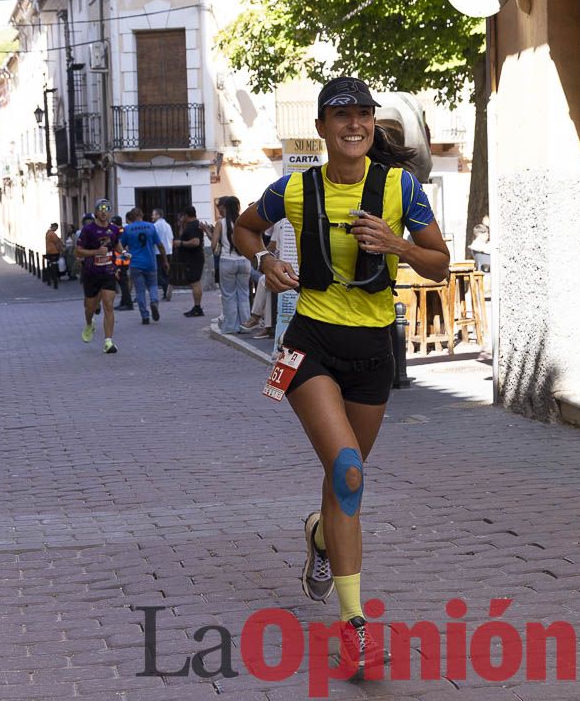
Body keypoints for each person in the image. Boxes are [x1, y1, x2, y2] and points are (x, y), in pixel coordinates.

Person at [234, 77, 450, 672]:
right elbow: (245, 228)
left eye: (363, 114)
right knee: (349, 471)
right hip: (311, 345)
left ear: (372, 124)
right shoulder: (295, 189)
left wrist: (398, 246)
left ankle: (320, 536)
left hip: (373, 351)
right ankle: (355, 626)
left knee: (342, 483)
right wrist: (265, 259)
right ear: (322, 128)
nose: (354, 124)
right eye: (341, 115)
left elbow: (439, 265)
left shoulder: (401, 188)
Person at [75, 198, 122, 353]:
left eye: (106, 209)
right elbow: (78, 251)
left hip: (108, 272)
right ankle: (89, 324)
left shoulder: (114, 229)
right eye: (100, 209)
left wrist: (123, 252)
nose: (103, 212)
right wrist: (96, 252)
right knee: (90, 308)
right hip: (91, 273)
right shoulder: (88, 230)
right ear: (96, 212)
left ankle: (108, 342)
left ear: (110, 212)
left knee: (108, 305)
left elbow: (116, 244)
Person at [121, 207, 167, 324]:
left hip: (136, 264)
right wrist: (165, 260)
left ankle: (145, 316)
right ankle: (154, 301)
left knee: (140, 290)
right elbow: (160, 245)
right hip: (150, 262)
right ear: (142, 214)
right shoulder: (151, 226)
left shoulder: (128, 229)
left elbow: (121, 247)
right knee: (153, 285)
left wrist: (125, 256)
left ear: (132, 216)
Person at [212, 196, 251, 334]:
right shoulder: (245, 221)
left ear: (225, 208)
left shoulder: (221, 223)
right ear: (238, 207)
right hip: (244, 261)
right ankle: (245, 325)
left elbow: (213, 244)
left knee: (229, 295)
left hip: (227, 260)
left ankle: (231, 326)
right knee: (244, 294)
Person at [174, 205, 205, 317]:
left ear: (186, 215)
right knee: (196, 282)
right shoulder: (192, 225)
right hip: (193, 258)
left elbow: (196, 242)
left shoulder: (193, 226)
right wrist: (182, 225)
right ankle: (197, 307)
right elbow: (183, 236)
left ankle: (197, 308)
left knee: (195, 283)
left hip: (194, 259)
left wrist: (181, 243)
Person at [111, 215, 134, 311]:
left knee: (123, 283)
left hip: (121, 262)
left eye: (113, 223)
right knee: (122, 283)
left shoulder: (119, 233)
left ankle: (128, 303)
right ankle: (124, 302)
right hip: (122, 261)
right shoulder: (123, 231)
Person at [151, 209, 174, 300]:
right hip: (169, 251)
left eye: (153, 214)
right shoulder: (168, 225)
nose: (152, 216)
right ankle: (165, 292)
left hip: (158, 252)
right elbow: (171, 238)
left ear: (158, 215)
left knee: (158, 274)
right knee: (165, 273)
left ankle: (166, 285)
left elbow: (152, 239)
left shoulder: (155, 226)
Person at [45, 222, 63, 289]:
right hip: (54, 251)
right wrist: (60, 250)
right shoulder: (52, 234)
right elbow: (57, 243)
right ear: (54, 227)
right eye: (56, 228)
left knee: (52, 265)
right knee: (55, 265)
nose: (56, 229)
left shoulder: (48, 233)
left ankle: (52, 278)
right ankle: (55, 278)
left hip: (49, 251)